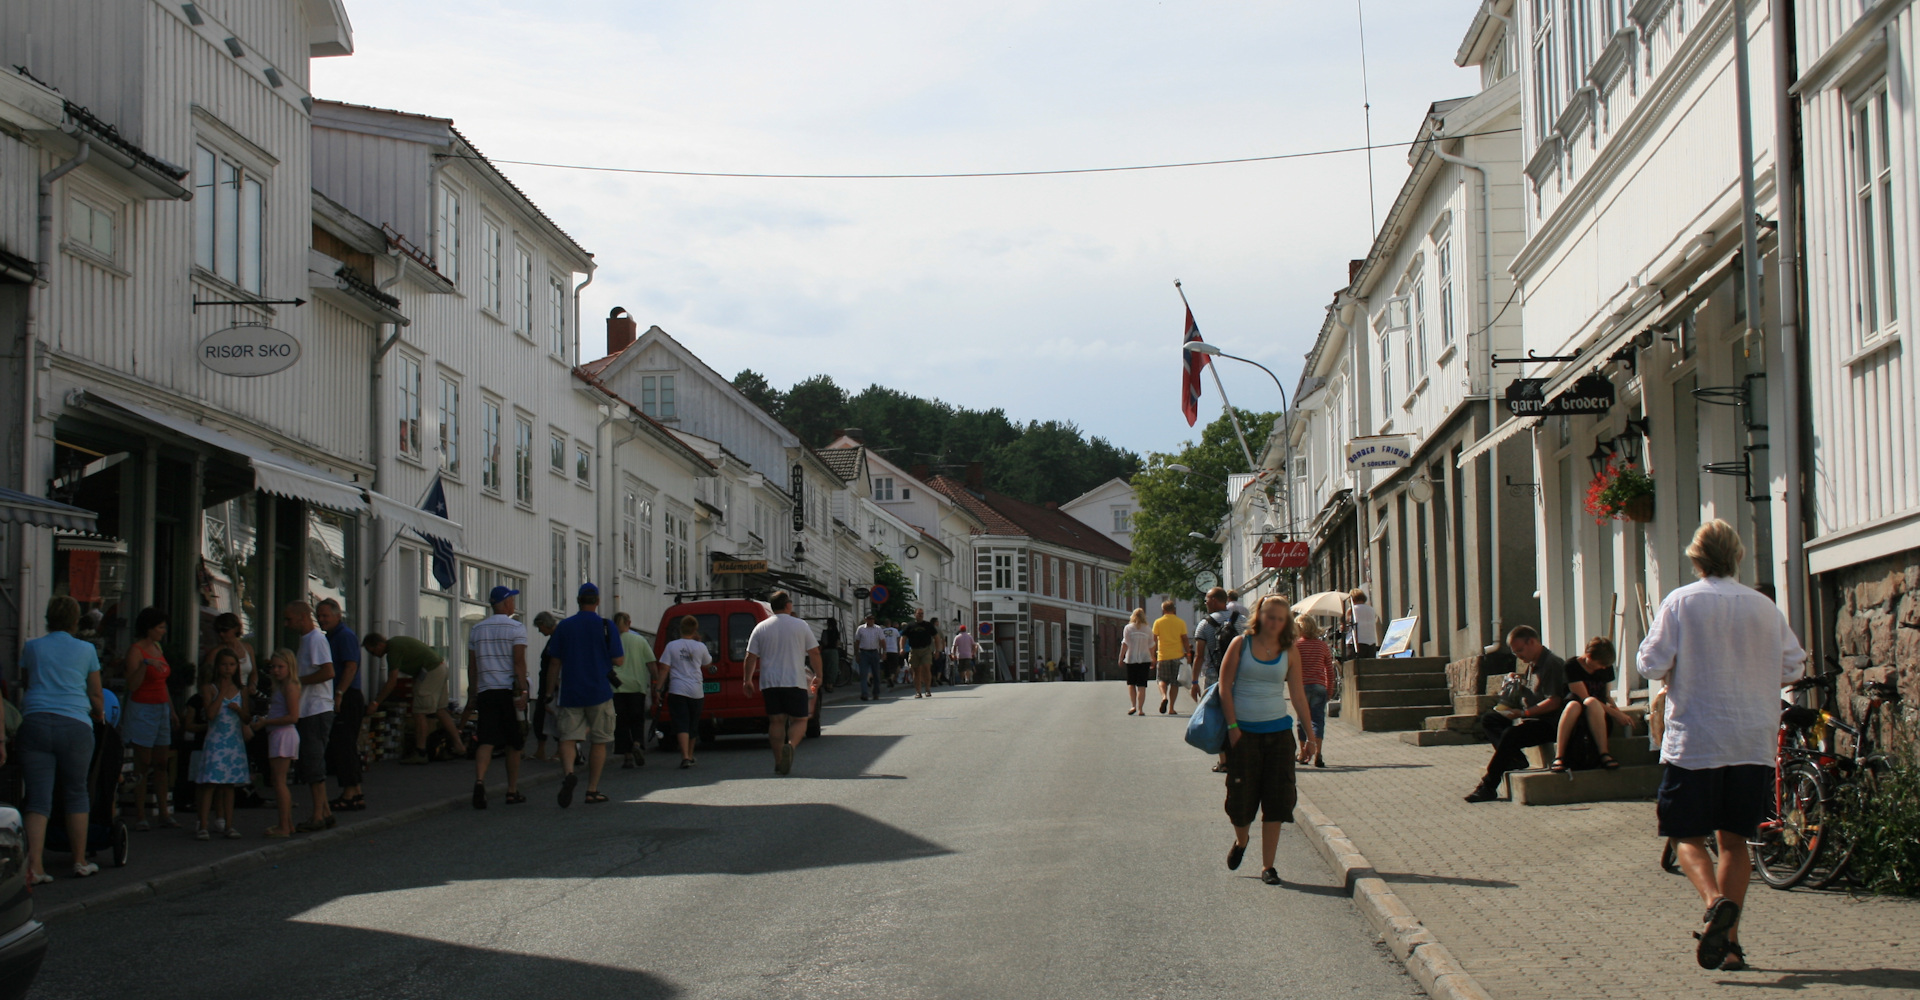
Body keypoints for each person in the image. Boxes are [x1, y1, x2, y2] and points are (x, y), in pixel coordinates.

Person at [1637, 519, 1806, 971]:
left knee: (1684, 833)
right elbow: (1793, 667)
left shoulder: (1681, 602)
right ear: (1737, 556)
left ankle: (1714, 902)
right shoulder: (1764, 607)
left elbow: (1651, 664)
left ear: (1696, 558)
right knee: (1735, 841)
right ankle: (1730, 946)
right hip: (1751, 739)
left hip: (1697, 739)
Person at [1217, 594, 1317, 886]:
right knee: (1240, 802)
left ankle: (1268, 866)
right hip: (1243, 734)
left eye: (1280, 619)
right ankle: (1242, 839)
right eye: (1269, 616)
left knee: (1276, 800)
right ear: (1259, 616)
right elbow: (1224, 686)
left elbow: (1298, 695)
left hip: (1278, 736)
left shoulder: (1289, 651)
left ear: (1286, 622)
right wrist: (1232, 727)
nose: (1274, 623)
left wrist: (1310, 736)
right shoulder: (1241, 644)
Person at [14, 596, 106, 881]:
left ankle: (35, 867)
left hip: (36, 721)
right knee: (76, 793)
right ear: (75, 621)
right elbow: (95, 693)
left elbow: (27, 682)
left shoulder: (32, 647)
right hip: (74, 724)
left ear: (48, 618)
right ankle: (79, 861)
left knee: (38, 798)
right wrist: (100, 713)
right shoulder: (86, 649)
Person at [1464, 626, 1567, 803]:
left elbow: (1554, 701)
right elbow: (1533, 691)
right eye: (1515, 652)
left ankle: (1489, 785)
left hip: (1549, 723)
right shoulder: (1532, 664)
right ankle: (1515, 758)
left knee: (1510, 735)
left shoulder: (1551, 664)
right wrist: (1516, 683)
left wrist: (1524, 712)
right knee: (1490, 720)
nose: (1518, 655)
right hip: (1530, 718)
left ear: (1532, 642)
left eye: (1520, 650)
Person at [546, 583, 623, 807]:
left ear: (578, 601)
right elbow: (619, 660)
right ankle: (592, 789)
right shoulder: (606, 626)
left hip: (571, 691)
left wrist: (549, 692)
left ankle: (569, 773)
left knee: (568, 738)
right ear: (597, 601)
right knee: (599, 741)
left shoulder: (564, 626)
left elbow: (554, 662)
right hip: (599, 691)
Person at [743, 591, 822, 776]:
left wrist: (747, 680)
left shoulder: (761, 627)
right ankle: (791, 746)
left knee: (776, 721)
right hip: (794, 681)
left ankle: (779, 761)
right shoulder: (800, 625)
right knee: (800, 720)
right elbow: (814, 652)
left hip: (770, 682)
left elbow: (750, 656)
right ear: (788, 605)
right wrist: (819, 675)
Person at [465, 585, 530, 809]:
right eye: (512, 600)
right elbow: (519, 662)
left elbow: (472, 666)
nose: (514, 603)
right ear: (506, 603)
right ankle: (511, 790)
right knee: (514, 742)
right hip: (508, 691)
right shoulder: (517, 628)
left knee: (486, 739)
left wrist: (472, 693)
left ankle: (479, 781)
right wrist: (523, 691)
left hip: (486, 691)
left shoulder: (477, 630)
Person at [364, 632, 467, 763]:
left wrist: (376, 703)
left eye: (372, 651)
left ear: (379, 644)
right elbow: (416, 664)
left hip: (431, 671)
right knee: (440, 710)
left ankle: (421, 752)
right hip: (440, 667)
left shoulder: (393, 650)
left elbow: (392, 681)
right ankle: (459, 746)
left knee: (419, 712)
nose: (372, 654)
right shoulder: (397, 642)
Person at [121, 605, 180, 831]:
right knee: (143, 762)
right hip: (142, 708)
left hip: (160, 707)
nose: (163, 631)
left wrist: (172, 710)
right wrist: (145, 667)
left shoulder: (157, 647)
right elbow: (132, 685)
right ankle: (140, 813)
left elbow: (162, 683)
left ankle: (164, 812)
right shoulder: (136, 651)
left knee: (161, 762)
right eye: (160, 627)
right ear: (149, 628)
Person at [284, 601, 336, 832]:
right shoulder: (306, 640)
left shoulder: (315, 639)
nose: (287, 624)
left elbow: (328, 671)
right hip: (309, 708)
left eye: (289, 619)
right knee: (311, 760)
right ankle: (325, 811)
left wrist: (297, 681)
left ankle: (317, 815)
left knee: (313, 762)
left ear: (302, 617)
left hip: (316, 708)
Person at [192, 647, 252, 841]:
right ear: (218, 667)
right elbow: (210, 714)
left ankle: (229, 824)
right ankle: (203, 825)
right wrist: (222, 693)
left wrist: (239, 710)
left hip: (234, 741)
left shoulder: (242, 690)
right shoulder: (209, 688)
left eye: (232, 665)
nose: (228, 668)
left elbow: (247, 717)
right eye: (224, 665)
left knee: (228, 785)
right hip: (216, 740)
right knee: (210, 783)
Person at [1551, 636, 1634, 773]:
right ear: (1588, 656)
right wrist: (1616, 714)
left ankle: (1604, 753)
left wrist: (1617, 710)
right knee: (1579, 704)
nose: (1603, 668)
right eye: (1600, 664)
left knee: (1593, 703)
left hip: (1598, 714)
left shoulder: (1605, 667)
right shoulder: (1572, 666)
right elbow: (1584, 697)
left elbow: (1607, 696)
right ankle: (1559, 756)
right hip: (1575, 711)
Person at [316, 598, 365, 813]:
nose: (321, 619)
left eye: (325, 615)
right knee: (345, 746)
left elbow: (350, 666)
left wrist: (339, 694)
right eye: (319, 615)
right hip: (343, 695)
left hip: (347, 696)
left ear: (337, 616)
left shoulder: (344, 636)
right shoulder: (330, 637)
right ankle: (355, 792)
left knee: (344, 746)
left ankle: (349, 794)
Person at [1191, 588, 1245, 772]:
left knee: (1218, 718)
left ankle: (1224, 761)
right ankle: (1241, 755)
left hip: (1215, 676)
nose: (1205, 603)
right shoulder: (1242, 621)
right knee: (1239, 715)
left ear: (1214, 600)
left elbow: (1199, 656)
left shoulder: (1204, 625)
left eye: (1207, 599)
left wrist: (1194, 682)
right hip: (1239, 675)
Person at [254, 649, 302, 838]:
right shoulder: (281, 686)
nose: (276, 670)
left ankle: (284, 826)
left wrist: (266, 722)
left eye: (280, 667)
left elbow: (293, 716)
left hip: (283, 734)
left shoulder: (290, 686)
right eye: (273, 667)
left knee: (279, 782)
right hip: (278, 733)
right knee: (278, 781)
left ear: (289, 667)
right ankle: (287, 823)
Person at [659, 615, 712, 768]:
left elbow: (664, 668)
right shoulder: (700, 647)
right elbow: (708, 663)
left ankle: (685, 756)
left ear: (680, 629)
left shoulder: (671, 646)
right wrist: (699, 643)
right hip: (696, 690)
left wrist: (658, 688)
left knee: (681, 722)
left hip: (677, 689)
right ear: (695, 630)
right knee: (693, 723)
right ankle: (690, 753)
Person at [1292, 615, 1336, 768]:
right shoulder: (1322, 646)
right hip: (1319, 686)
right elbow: (1329, 669)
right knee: (1318, 720)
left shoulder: (1296, 646)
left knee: (1302, 720)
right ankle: (1318, 753)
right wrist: (1329, 688)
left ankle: (1303, 752)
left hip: (1301, 687)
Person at [612, 611, 654, 769]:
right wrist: (656, 682)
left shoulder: (611, 641)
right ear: (629, 623)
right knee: (637, 719)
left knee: (621, 722)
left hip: (617, 687)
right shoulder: (640, 640)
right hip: (637, 686)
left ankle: (627, 757)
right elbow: (651, 663)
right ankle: (637, 743)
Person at [529, 611, 560, 760]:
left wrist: (552, 687)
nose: (540, 631)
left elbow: (555, 663)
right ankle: (541, 749)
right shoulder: (554, 638)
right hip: (547, 683)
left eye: (539, 627)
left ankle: (559, 750)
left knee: (554, 717)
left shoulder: (557, 638)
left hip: (552, 684)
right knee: (540, 717)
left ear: (544, 624)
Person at [1151, 600, 1189, 715]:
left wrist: (1152, 655)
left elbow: (1153, 640)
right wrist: (1188, 653)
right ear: (1174, 609)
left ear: (1163, 610)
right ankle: (1171, 708)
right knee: (1174, 683)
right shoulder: (1180, 622)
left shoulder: (1158, 622)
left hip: (1163, 656)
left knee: (1161, 679)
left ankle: (1164, 696)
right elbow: (1185, 639)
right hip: (1177, 656)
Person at [200, 612, 255, 689]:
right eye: (218, 631)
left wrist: (252, 686)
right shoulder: (215, 653)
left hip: (245, 692)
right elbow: (206, 679)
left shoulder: (248, 648)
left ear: (236, 629)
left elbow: (254, 673)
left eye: (225, 630)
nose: (221, 634)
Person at [1119, 609, 1155, 715]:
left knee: (1131, 684)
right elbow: (1151, 645)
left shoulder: (1128, 628)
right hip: (1145, 659)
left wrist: (1121, 658)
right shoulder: (1148, 629)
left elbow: (1125, 644)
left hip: (1131, 659)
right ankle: (1140, 709)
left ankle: (1133, 705)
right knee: (1142, 685)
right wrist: (1153, 657)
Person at [902, 608, 940, 699]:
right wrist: (901, 648)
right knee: (916, 671)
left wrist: (937, 650)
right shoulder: (910, 625)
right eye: (919, 614)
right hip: (914, 650)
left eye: (922, 614)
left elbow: (936, 637)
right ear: (915, 614)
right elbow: (903, 638)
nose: (921, 615)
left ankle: (927, 689)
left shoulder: (928, 625)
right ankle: (918, 691)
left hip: (926, 649)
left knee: (926, 667)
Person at [853, 614, 885, 701]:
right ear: (865, 619)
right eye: (869, 619)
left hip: (874, 652)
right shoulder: (861, 629)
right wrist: (856, 654)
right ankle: (864, 694)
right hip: (864, 652)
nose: (871, 620)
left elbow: (882, 641)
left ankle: (876, 693)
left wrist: (884, 652)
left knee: (876, 674)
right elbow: (857, 642)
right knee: (863, 674)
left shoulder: (878, 628)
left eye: (872, 619)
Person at [1346, 590, 1379, 658]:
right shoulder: (1371, 609)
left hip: (1356, 642)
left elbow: (1347, 625)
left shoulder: (1352, 610)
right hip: (1371, 643)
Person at [880, 620, 903, 689]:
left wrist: (881, 651)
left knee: (886, 666)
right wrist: (899, 649)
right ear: (890, 624)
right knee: (894, 666)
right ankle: (892, 677)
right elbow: (899, 640)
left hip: (885, 651)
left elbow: (880, 641)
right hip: (894, 650)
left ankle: (888, 681)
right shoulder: (895, 631)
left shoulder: (882, 631)